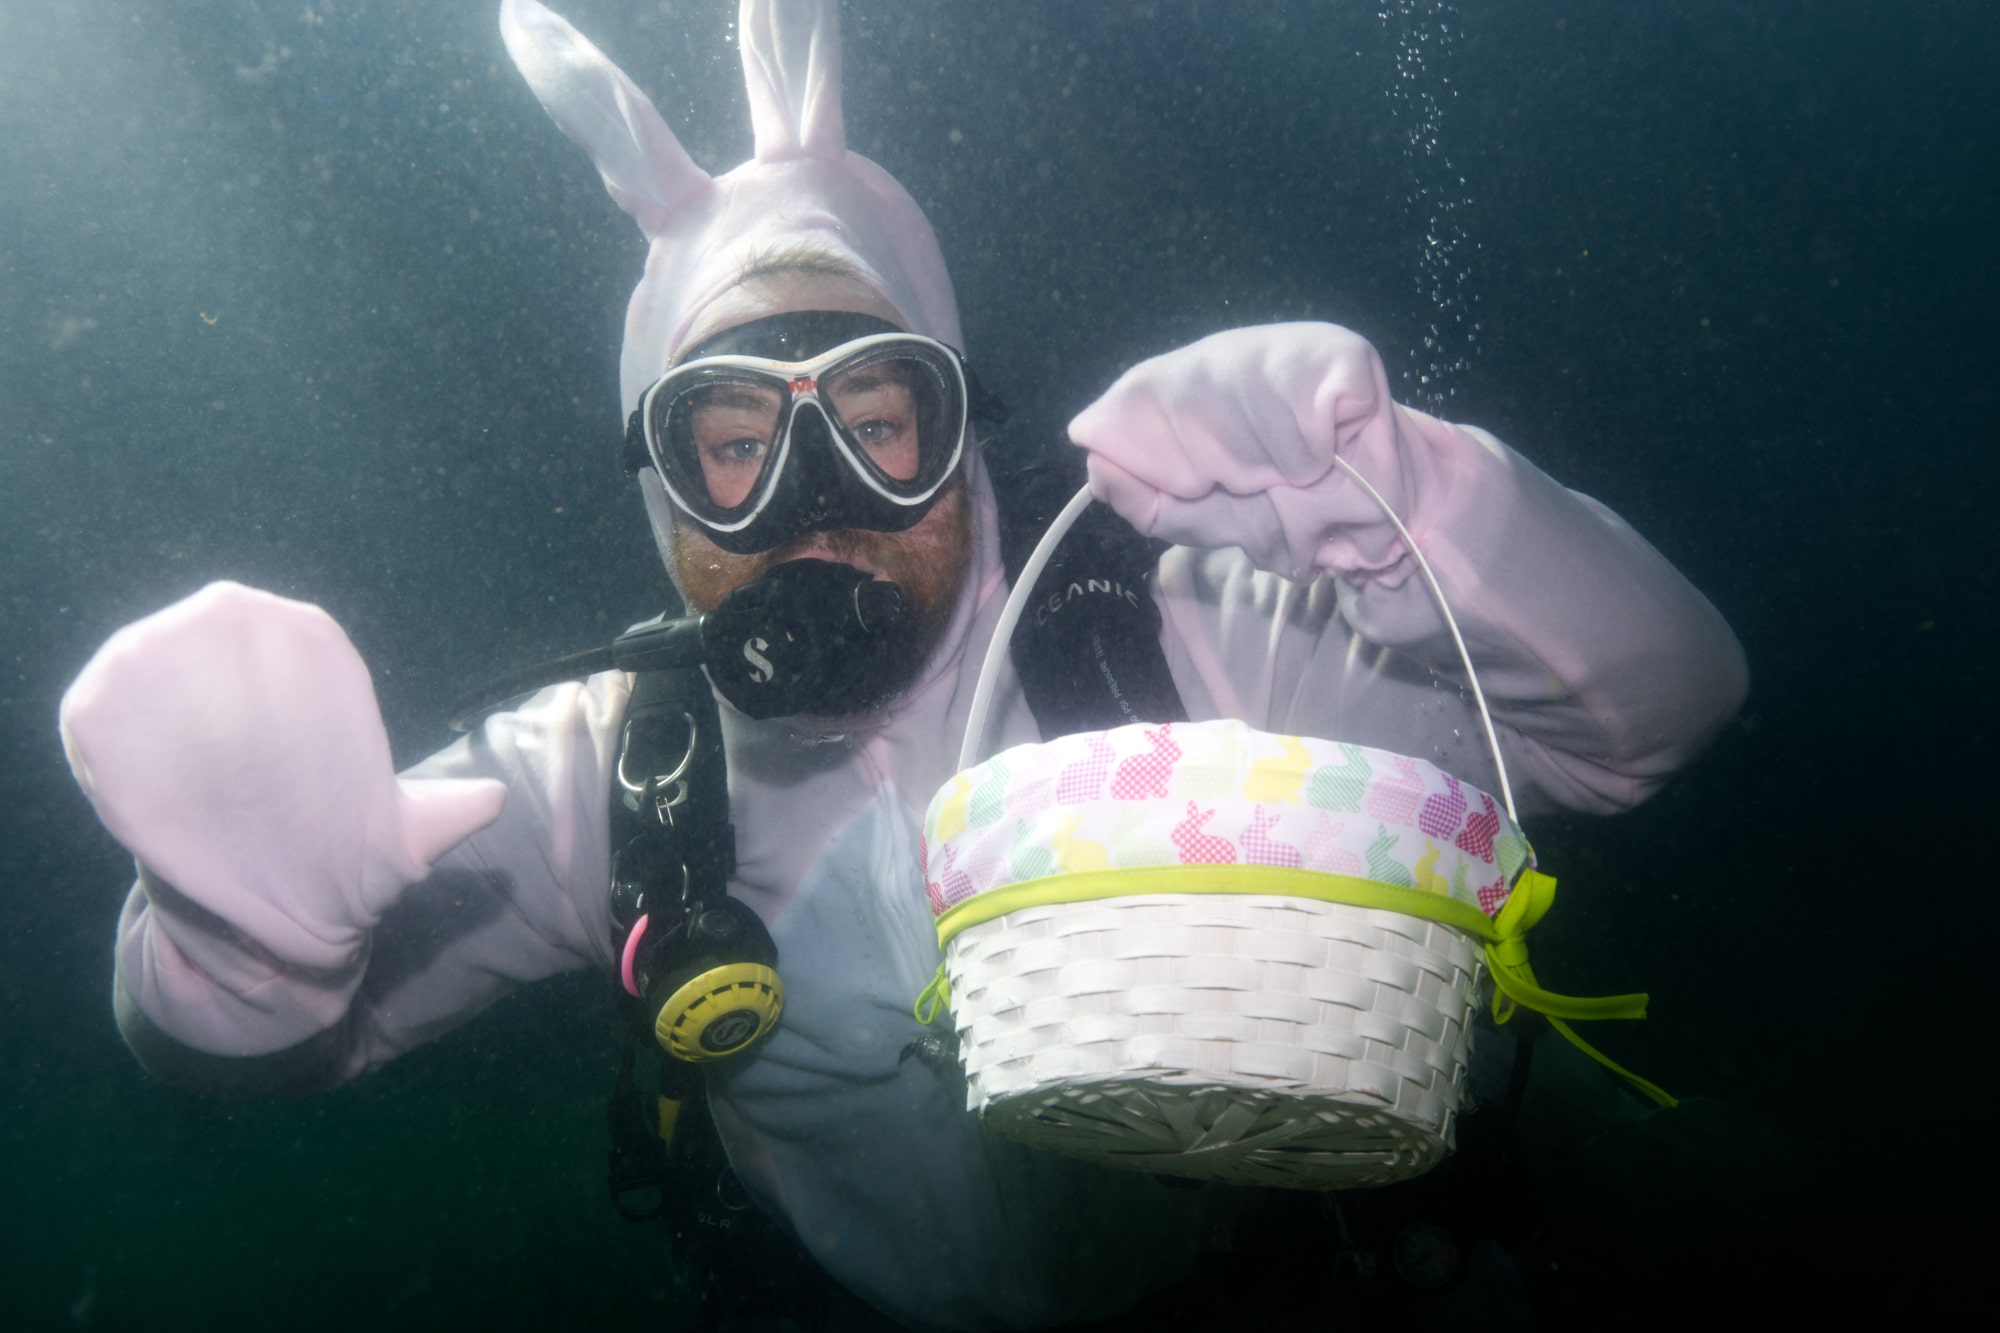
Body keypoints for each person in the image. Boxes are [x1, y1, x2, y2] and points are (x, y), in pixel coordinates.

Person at [58, 2, 1748, 1330]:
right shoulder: (610, 773)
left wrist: (1411, 506)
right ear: (656, 490)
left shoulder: (1173, 639)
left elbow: (1660, 717)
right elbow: (285, 1050)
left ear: (961, 435)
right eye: (728, 441)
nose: (813, 509)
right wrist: (236, 944)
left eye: (876, 421)